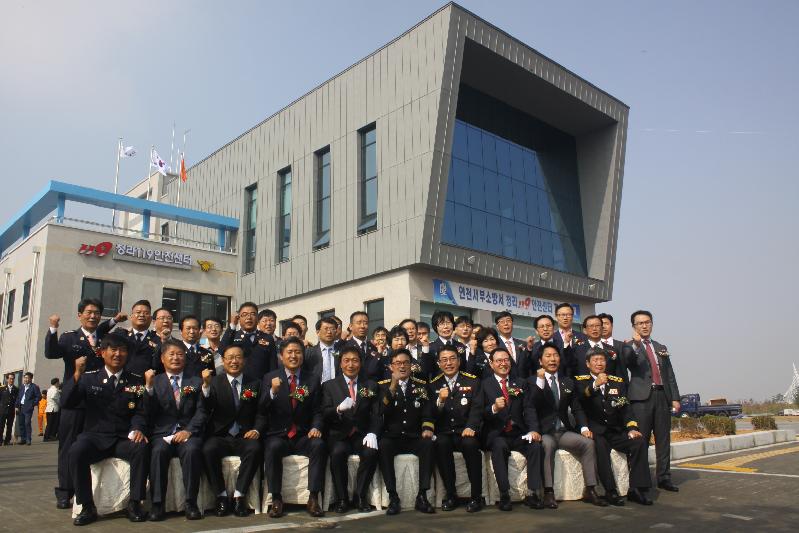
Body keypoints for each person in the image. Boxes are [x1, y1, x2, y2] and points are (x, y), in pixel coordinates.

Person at [64, 333, 150, 525]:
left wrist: (138, 428)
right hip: (95, 437)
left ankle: (135, 503)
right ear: (103, 353)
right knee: (76, 451)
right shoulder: (89, 378)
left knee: (141, 448)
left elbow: (140, 411)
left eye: (122, 350)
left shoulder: (135, 381)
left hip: (122, 438)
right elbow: (67, 402)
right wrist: (76, 374)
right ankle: (87, 506)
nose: (118, 354)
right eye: (113, 350)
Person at [45, 298, 115, 508]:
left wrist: (116, 320)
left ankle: (91, 490)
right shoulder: (69, 338)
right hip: (74, 401)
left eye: (96, 313)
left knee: (96, 445)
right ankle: (65, 491)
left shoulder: (104, 338)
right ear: (80, 315)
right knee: (68, 447)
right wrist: (53, 328)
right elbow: (51, 353)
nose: (93, 316)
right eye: (89, 312)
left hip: (99, 402)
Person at [574, 348, 652, 506]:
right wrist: (595, 385)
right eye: (595, 360)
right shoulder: (580, 380)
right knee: (600, 449)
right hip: (595, 431)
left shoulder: (617, 381)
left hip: (615, 431)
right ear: (588, 364)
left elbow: (625, 408)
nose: (599, 363)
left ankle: (636, 489)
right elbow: (580, 402)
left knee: (639, 442)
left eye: (602, 360)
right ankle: (610, 491)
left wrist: (632, 428)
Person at [530, 344, 605, 508]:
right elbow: (532, 406)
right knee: (547, 446)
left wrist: (584, 428)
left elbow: (577, 408)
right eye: (548, 356)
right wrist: (540, 382)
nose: (552, 359)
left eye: (555, 355)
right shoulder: (532, 381)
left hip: (563, 431)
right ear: (540, 361)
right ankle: (548, 492)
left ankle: (590, 489)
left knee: (588, 443)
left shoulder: (568, 381)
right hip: (544, 432)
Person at [262, 337, 326, 518]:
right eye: (289, 352)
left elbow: (317, 410)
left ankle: (313, 498)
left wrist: (316, 427)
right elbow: (261, 408)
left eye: (298, 352)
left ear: (303, 356)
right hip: (279, 435)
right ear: (281, 356)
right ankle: (276, 498)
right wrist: (272, 392)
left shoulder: (312, 379)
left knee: (319, 445)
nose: (293, 356)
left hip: (303, 435)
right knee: (272, 447)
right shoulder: (270, 377)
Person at [144, 339, 207, 521]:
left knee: (192, 450)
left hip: (188, 433)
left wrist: (189, 430)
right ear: (162, 359)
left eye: (180, 354)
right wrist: (148, 388)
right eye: (171, 354)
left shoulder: (195, 381)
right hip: (163, 434)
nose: (176, 358)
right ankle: (157, 504)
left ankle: (191, 502)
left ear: (185, 358)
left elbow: (202, 411)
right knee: (158, 452)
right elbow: (147, 412)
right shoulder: (155, 381)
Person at [201, 345, 266, 517]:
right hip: (221, 435)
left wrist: (256, 430)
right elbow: (206, 407)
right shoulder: (214, 382)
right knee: (208, 449)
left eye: (238, 357)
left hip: (244, 435)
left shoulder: (255, 383)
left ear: (244, 360)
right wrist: (206, 386)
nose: (234, 361)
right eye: (230, 357)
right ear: (223, 361)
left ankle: (239, 495)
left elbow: (261, 412)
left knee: (255, 448)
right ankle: (221, 495)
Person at [623, 310, 681, 493]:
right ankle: (641, 481)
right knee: (641, 440)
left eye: (647, 322)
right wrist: (636, 344)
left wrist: (675, 397)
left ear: (652, 324)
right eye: (640, 323)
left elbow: (669, 374)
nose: (644, 325)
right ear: (634, 326)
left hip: (662, 396)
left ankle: (664, 477)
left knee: (663, 440)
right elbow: (628, 362)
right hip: (641, 399)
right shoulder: (629, 346)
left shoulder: (660, 347)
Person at [480, 347, 543, 511]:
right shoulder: (485, 384)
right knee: (499, 446)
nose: (503, 364)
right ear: (491, 364)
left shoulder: (520, 382)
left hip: (518, 433)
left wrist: (534, 430)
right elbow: (480, 413)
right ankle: (504, 494)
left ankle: (533, 493)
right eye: (499, 361)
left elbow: (529, 408)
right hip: (498, 434)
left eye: (506, 360)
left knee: (536, 446)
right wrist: (494, 408)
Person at [320, 346, 381, 513]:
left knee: (371, 452)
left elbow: (376, 414)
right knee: (337, 453)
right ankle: (342, 499)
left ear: (360, 363)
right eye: (346, 361)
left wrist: (373, 432)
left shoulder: (371, 385)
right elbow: (324, 413)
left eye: (355, 360)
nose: (351, 365)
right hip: (339, 434)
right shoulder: (329, 386)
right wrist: (338, 409)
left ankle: (360, 496)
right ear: (340, 364)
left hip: (362, 434)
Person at [378, 349, 436, 515]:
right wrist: (393, 387)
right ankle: (393, 496)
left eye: (406, 363)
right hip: (393, 436)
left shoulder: (421, 385)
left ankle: (422, 495)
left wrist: (427, 428)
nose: (402, 366)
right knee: (384, 446)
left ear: (411, 365)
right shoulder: (382, 386)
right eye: (398, 363)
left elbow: (428, 411)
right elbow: (382, 411)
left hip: (414, 435)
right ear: (391, 366)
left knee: (429, 445)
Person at [430, 345, 484, 513]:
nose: (449, 363)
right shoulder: (433, 384)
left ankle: (476, 496)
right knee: (441, 444)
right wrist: (440, 401)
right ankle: (451, 495)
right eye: (444, 360)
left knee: (470, 444)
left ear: (459, 361)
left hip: (465, 430)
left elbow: (477, 408)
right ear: (439, 363)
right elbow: (430, 414)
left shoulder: (472, 381)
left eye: (452, 359)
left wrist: (471, 426)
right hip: (445, 431)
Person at [221, 302, 279, 381]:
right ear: (239, 318)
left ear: (257, 318)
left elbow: (273, 365)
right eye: (245, 314)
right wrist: (233, 325)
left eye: (253, 314)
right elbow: (222, 350)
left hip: (262, 383)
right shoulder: (233, 336)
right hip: (238, 383)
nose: (249, 317)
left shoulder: (267, 338)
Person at [113, 300, 164, 377]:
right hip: (121, 380)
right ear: (131, 317)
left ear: (151, 318)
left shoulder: (158, 340)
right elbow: (100, 335)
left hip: (146, 382)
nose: (142, 315)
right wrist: (114, 320)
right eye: (138, 312)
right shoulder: (121, 335)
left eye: (146, 313)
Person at [574, 315, 626, 380]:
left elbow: (619, 374)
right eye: (591, 326)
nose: (594, 329)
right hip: (584, 385)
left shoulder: (613, 350)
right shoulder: (576, 350)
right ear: (585, 330)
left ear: (602, 328)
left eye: (597, 325)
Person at [340, 312, 382, 381]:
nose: (362, 326)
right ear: (350, 326)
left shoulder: (374, 347)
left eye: (365, 323)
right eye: (359, 323)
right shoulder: (344, 347)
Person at [425, 311, 467, 379]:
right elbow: (427, 371)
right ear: (436, 327)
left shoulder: (461, 346)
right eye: (442, 324)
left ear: (453, 325)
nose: (446, 326)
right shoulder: (430, 347)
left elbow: (464, 369)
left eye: (448, 323)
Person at [494, 311, 532, 379]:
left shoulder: (523, 344)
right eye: (502, 321)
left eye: (508, 321)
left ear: (512, 324)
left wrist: (529, 348)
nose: (506, 324)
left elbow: (529, 365)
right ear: (497, 326)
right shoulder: (495, 345)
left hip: (522, 381)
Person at [304, 317, 340, 383]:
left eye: (332, 329)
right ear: (318, 332)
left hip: (337, 388)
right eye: (326, 329)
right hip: (316, 388)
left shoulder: (342, 351)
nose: (329, 332)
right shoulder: (308, 353)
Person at [178, 315, 215, 379]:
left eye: (195, 328)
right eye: (188, 328)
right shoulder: (175, 350)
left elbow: (212, 375)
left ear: (199, 331)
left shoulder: (207, 354)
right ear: (181, 331)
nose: (192, 332)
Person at [15, 372, 41, 445]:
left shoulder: (34, 387)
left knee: (27, 423)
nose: (25, 379)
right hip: (20, 407)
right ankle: (23, 439)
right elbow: (18, 397)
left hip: (28, 408)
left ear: (31, 379)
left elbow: (39, 397)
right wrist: (16, 406)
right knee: (21, 424)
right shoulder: (22, 387)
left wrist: (32, 404)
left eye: (27, 378)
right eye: (25, 378)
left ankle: (28, 439)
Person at [0, 374, 18, 445]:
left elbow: (17, 400)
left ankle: (7, 441)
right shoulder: (2, 388)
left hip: (11, 411)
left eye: (13, 379)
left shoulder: (16, 389)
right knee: (1, 426)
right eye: (10, 378)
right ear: (7, 379)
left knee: (9, 426)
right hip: (2, 411)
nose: (11, 380)